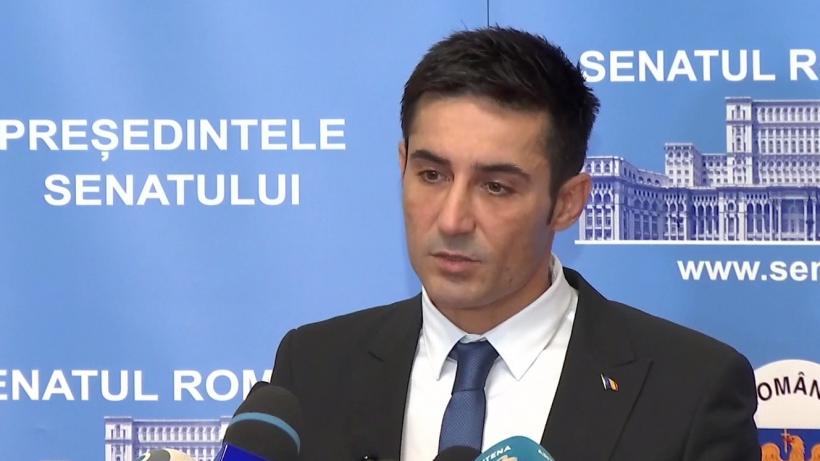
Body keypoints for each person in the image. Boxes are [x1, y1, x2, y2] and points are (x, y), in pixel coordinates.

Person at [269, 27, 759, 461]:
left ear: (567, 203)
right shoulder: (313, 367)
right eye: (432, 175)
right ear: (402, 166)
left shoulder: (690, 392)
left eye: (496, 187)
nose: (452, 219)